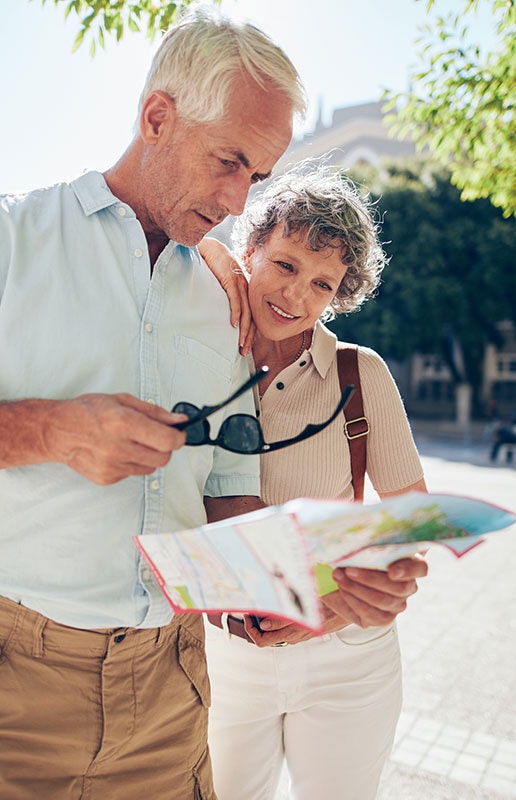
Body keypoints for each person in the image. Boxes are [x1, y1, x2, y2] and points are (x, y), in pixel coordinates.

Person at [0, 9, 423, 799]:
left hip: (173, 690)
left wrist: (318, 584)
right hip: (10, 685)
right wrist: (50, 428)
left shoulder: (220, 299)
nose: (239, 202)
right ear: (157, 117)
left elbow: (222, 497)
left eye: (258, 177)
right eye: (228, 162)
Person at [198, 162, 427, 800]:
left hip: (347, 657)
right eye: (285, 265)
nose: (296, 296)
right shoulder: (201, 353)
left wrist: (321, 607)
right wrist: (212, 256)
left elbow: (412, 521)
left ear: (338, 297)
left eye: (322, 283)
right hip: (224, 655)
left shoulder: (361, 374)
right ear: (251, 249)